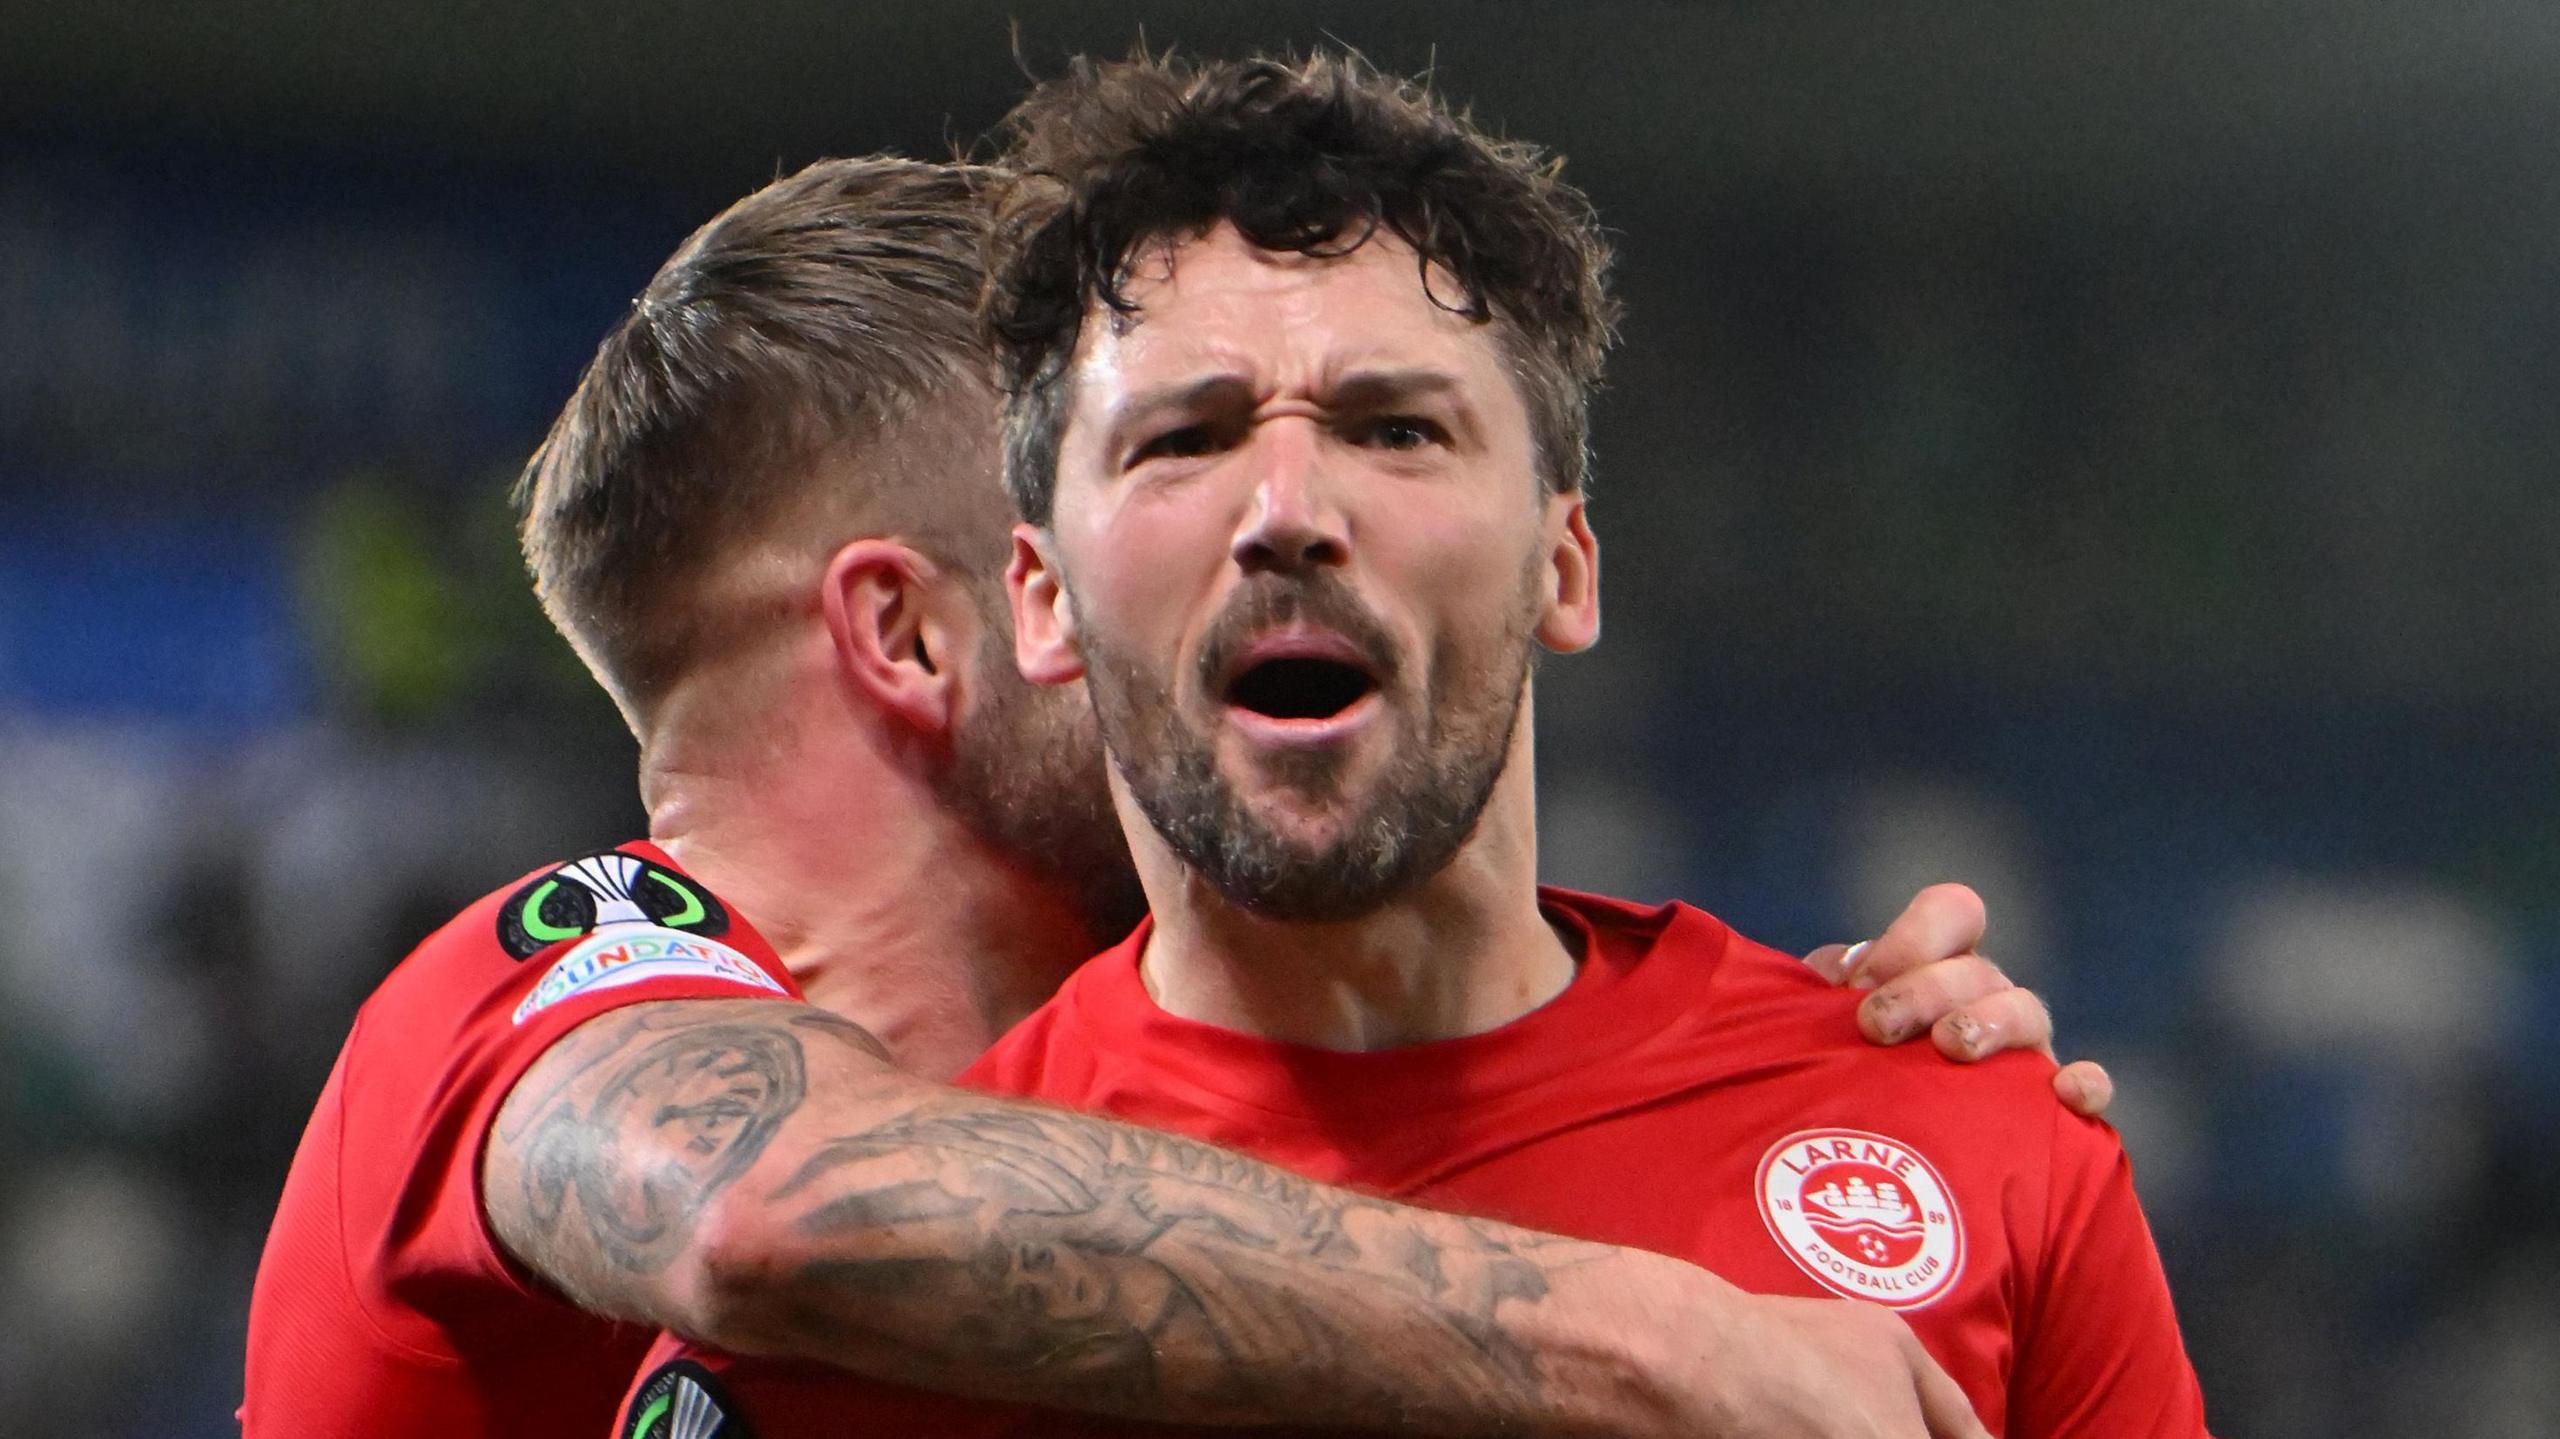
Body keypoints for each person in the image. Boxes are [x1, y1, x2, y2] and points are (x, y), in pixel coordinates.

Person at [243, 156, 2094, 1439]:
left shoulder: (1108, 1116)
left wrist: (1833, 1092)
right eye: (1162, 471)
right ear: (930, 629)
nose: (1262, 545)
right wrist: (1659, 1334)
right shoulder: (522, 999)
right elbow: (778, 1212)